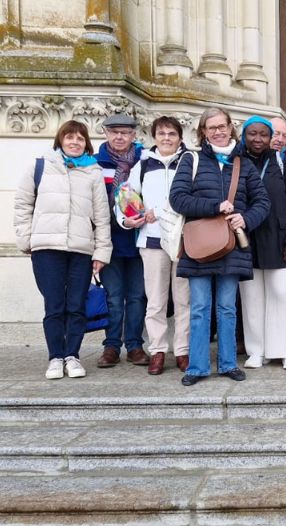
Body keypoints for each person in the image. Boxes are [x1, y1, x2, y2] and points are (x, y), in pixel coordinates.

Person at [169, 107, 270, 386]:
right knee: (200, 306)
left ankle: (227, 364)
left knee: (227, 307)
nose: (217, 131)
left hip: (231, 246)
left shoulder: (244, 164)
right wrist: (215, 206)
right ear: (203, 131)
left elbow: (263, 203)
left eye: (221, 126)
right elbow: (177, 199)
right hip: (200, 245)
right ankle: (197, 367)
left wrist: (245, 218)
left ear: (230, 127)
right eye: (211, 127)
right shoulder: (192, 160)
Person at [14, 120, 111, 380]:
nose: (75, 142)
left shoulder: (93, 172)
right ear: (61, 140)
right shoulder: (40, 166)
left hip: (80, 249)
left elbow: (102, 217)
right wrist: (26, 240)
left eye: (80, 138)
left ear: (86, 143)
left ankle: (73, 355)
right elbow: (23, 205)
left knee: (77, 305)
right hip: (47, 248)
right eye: (70, 137)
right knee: (54, 305)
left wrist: (101, 252)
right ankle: (55, 357)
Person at [117, 116, 191, 375]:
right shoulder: (143, 164)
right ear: (154, 137)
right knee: (156, 300)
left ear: (180, 137)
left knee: (184, 300)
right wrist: (134, 217)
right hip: (152, 239)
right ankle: (158, 350)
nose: (167, 138)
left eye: (172, 133)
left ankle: (182, 351)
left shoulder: (189, 162)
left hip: (184, 241)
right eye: (162, 134)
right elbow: (126, 196)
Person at [238, 115, 286, 370]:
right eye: (252, 134)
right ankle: (257, 350)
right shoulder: (237, 163)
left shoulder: (283, 163)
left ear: (270, 138)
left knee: (282, 293)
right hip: (247, 239)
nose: (258, 139)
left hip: (280, 239)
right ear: (244, 136)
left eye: (263, 134)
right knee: (251, 296)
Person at [95, 114, 148, 369]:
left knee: (137, 296)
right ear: (105, 133)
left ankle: (135, 345)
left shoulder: (145, 161)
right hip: (110, 241)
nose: (119, 137)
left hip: (139, 239)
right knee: (114, 296)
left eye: (125, 132)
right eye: (114, 132)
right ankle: (112, 346)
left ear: (134, 136)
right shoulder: (96, 164)